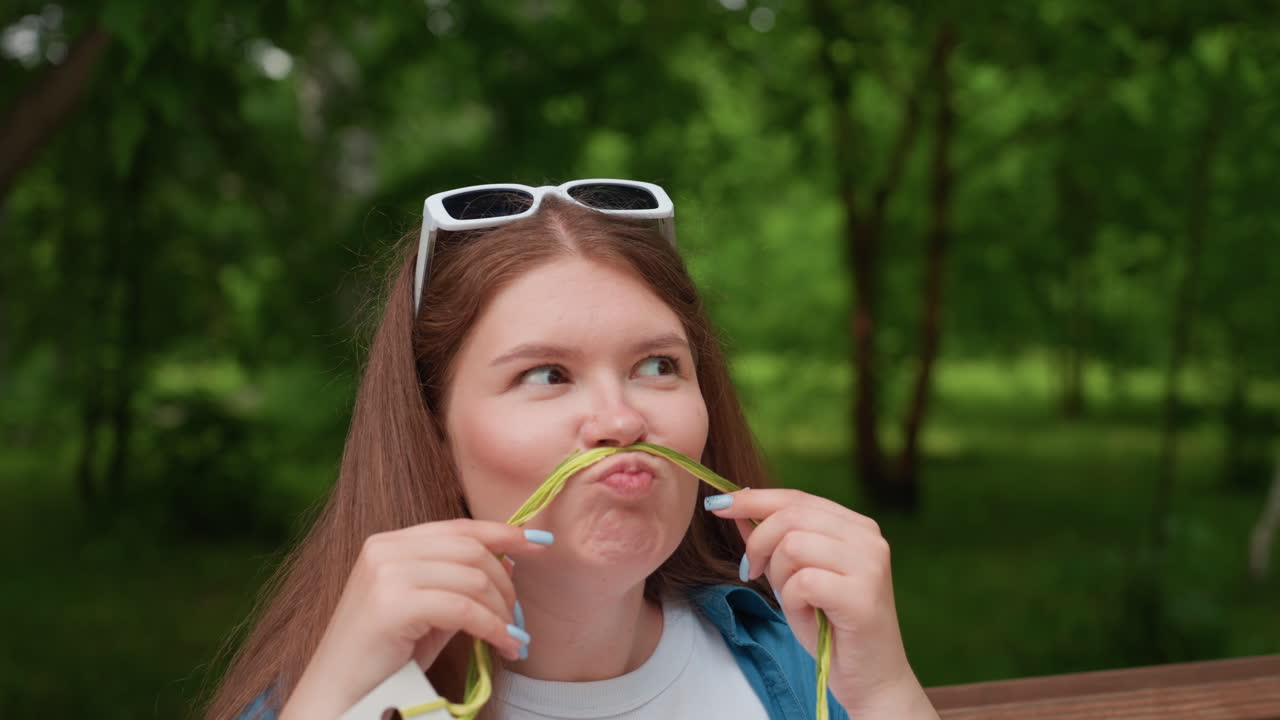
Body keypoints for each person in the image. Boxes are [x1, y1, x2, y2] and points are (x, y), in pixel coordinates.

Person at [206, 180, 940, 720]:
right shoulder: (340, 699)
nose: (620, 419)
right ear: (434, 430)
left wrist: (882, 691)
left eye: (657, 366)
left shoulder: (796, 666)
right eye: (547, 375)